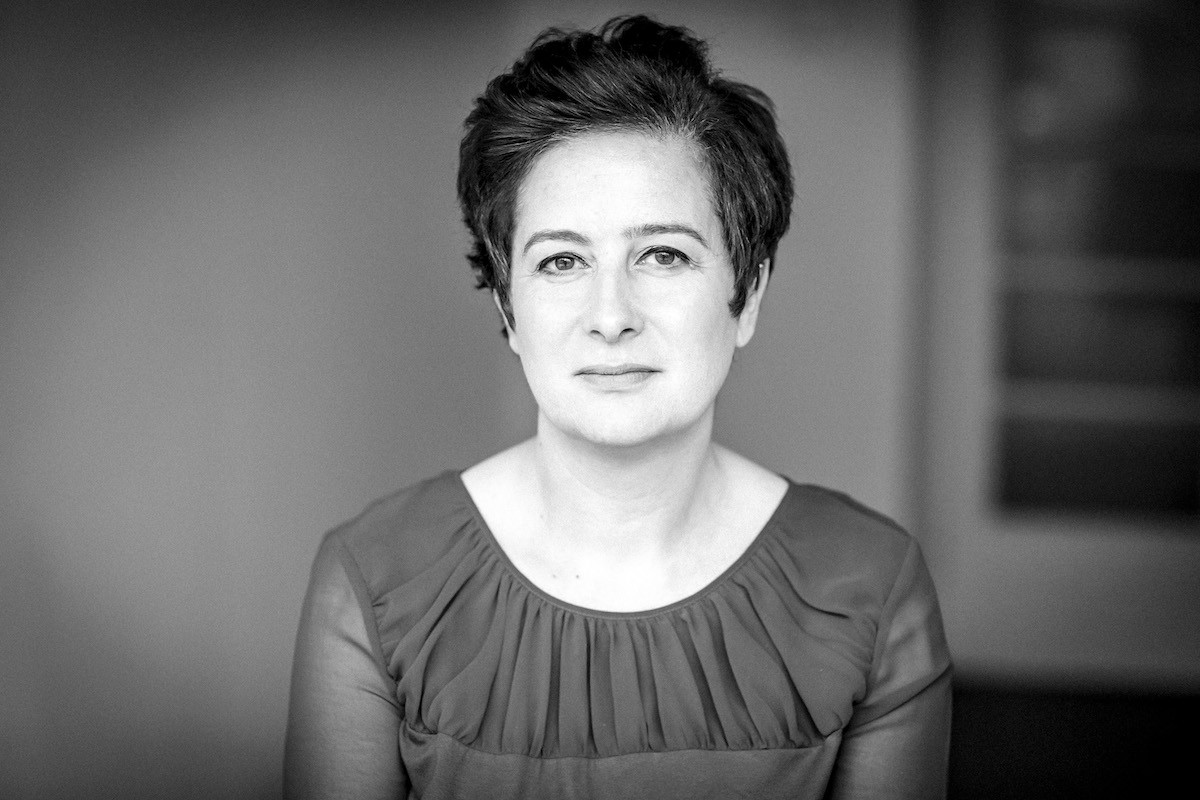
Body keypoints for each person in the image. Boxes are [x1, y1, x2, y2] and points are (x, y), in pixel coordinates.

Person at [284, 15, 951, 800]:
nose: (611, 315)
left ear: (748, 295)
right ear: (506, 308)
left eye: (663, 254)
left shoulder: (870, 585)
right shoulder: (371, 579)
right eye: (561, 261)